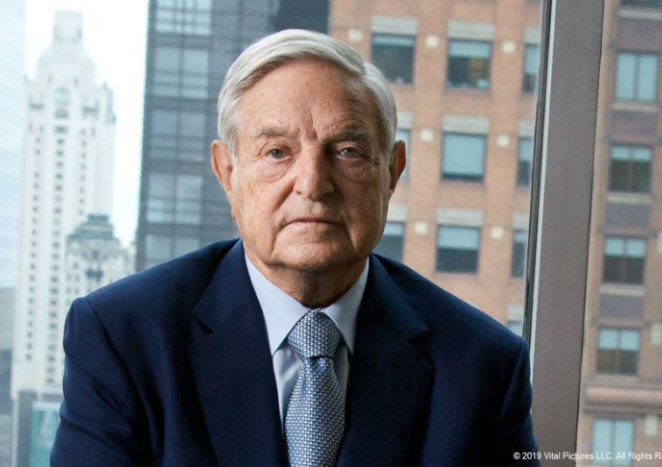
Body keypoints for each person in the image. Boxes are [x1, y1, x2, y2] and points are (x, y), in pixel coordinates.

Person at [51, 29, 539, 467]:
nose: (312, 183)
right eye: (277, 152)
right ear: (227, 172)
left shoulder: (482, 367)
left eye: (347, 151)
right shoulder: (122, 338)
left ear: (391, 171)